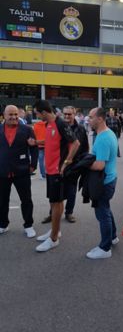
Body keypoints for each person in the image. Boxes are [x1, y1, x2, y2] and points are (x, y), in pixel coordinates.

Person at [33, 100, 80, 252]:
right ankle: (55, 230)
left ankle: (54, 238)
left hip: (58, 171)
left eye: (38, 114)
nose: (37, 116)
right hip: (50, 170)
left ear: (44, 112)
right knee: (53, 202)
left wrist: (66, 162)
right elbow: (50, 142)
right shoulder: (48, 124)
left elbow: (76, 143)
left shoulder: (61, 124)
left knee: (57, 202)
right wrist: (36, 142)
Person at [0, 105, 38, 238]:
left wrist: (33, 165)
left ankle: (28, 225)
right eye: (10, 114)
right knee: (2, 200)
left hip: (22, 171)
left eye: (16, 114)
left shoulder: (27, 129)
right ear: (4, 115)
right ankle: (3, 224)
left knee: (26, 199)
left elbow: (34, 148)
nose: (14, 117)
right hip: (2, 172)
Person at [86, 107, 118, 259]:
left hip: (104, 182)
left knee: (102, 213)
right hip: (109, 179)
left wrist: (82, 164)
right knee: (106, 209)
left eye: (91, 117)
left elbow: (99, 165)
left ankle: (105, 248)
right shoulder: (106, 133)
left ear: (100, 119)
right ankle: (113, 237)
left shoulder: (104, 138)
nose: (88, 119)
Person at [62, 106, 89, 222]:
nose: (67, 116)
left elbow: (85, 147)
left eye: (69, 114)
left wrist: (81, 162)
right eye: (65, 114)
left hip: (75, 164)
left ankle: (69, 213)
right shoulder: (60, 127)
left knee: (72, 190)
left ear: (74, 115)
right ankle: (53, 212)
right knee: (57, 189)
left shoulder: (81, 129)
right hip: (60, 163)